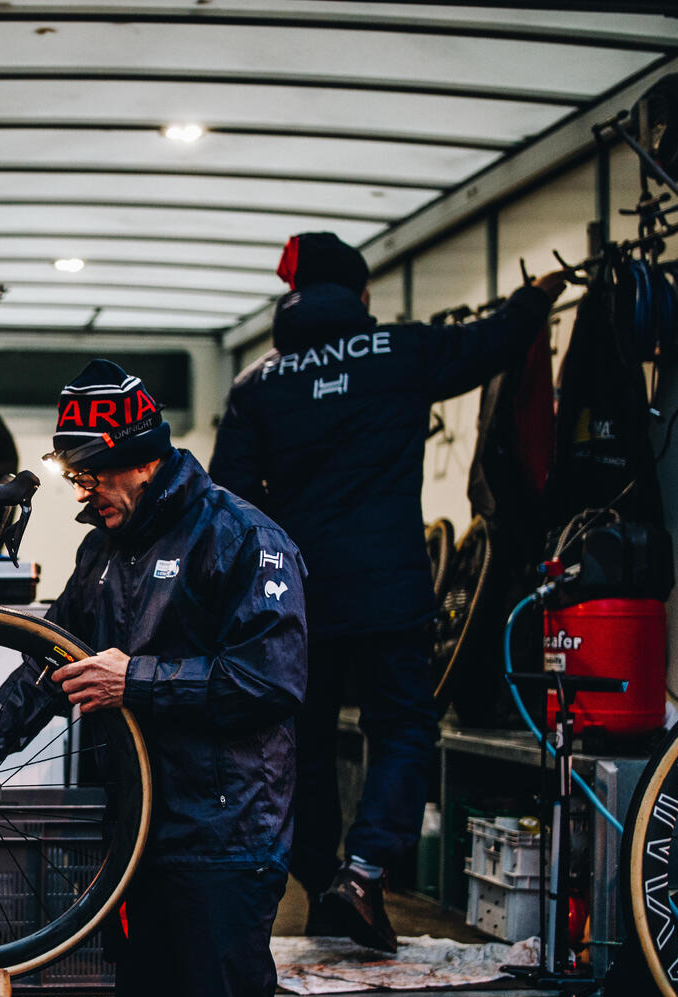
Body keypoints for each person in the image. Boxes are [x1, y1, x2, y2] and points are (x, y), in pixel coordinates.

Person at [0, 359, 308, 997]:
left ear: (142, 459)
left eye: (93, 474)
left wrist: (138, 682)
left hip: (224, 840)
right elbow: (54, 664)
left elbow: (274, 680)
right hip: (141, 839)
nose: (84, 491)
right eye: (75, 475)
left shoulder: (245, 537)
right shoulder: (102, 551)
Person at [209, 231, 568, 951]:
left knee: (302, 743)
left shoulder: (256, 385)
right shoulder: (402, 352)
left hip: (298, 597)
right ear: (360, 294)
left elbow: (231, 500)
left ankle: (317, 884)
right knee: (401, 730)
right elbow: (489, 344)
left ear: (291, 299)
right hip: (390, 590)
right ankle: (364, 872)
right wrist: (534, 300)